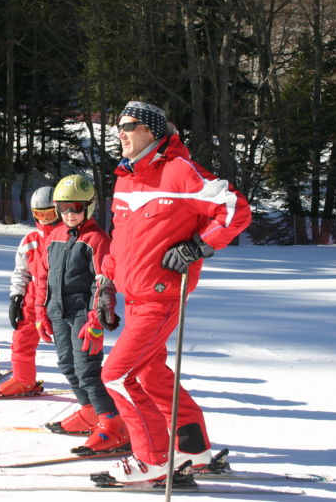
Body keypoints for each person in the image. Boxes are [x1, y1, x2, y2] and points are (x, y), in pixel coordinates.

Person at [98, 101, 252, 482]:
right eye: (118, 126)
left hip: (161, 297)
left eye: (129, 126)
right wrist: (105, 284)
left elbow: (236, 209)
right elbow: (121, 242)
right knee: (151, 375)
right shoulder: (126, 179)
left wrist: (199, 246)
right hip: (133, 298)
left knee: (117, 375)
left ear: (151, 130)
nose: (121, 133)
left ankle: (152, 460)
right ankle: (194, 449)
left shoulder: (180, 171)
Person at [35, 175, 129, 455]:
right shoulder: (54, 236)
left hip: (83, 316)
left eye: (75, 207)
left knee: (87, 371)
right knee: (66, 365)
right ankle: (89, 412)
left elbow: (104, 282)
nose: (68, 214)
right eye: (61, 208)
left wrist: (96, 318)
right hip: (57, 312)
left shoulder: (97, 239)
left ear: (89, 206)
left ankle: (114, 424)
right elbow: (42, 276)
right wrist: (41, 311)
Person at [0, 186, 62, 398]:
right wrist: (16, 298)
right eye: (40, 215)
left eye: (50, 214)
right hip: (32, 299)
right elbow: (21, 272)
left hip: (61, 299)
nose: (46, 219)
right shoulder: (30, 240)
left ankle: (90, 393)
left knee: (72, 349)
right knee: (21, 340)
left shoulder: (66, 237)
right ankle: (23, 380)